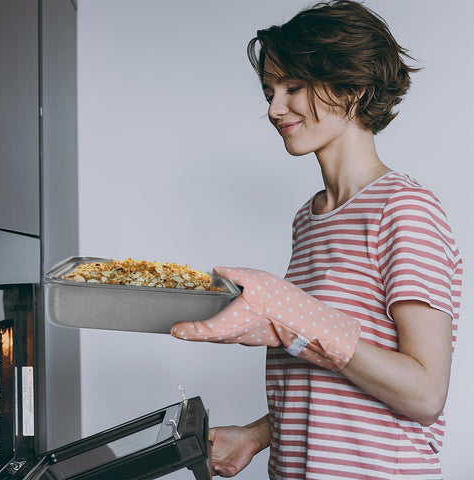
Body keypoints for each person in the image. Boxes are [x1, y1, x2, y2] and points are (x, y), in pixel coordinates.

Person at [171, 1, 463, 478]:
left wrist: (289, 311)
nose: (273, 108)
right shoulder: (309, 219)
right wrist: (257, 435)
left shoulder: (404, 210)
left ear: (353, 89)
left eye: (293, 87)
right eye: (269, 90)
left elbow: (425, 394)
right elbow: (329, 371)